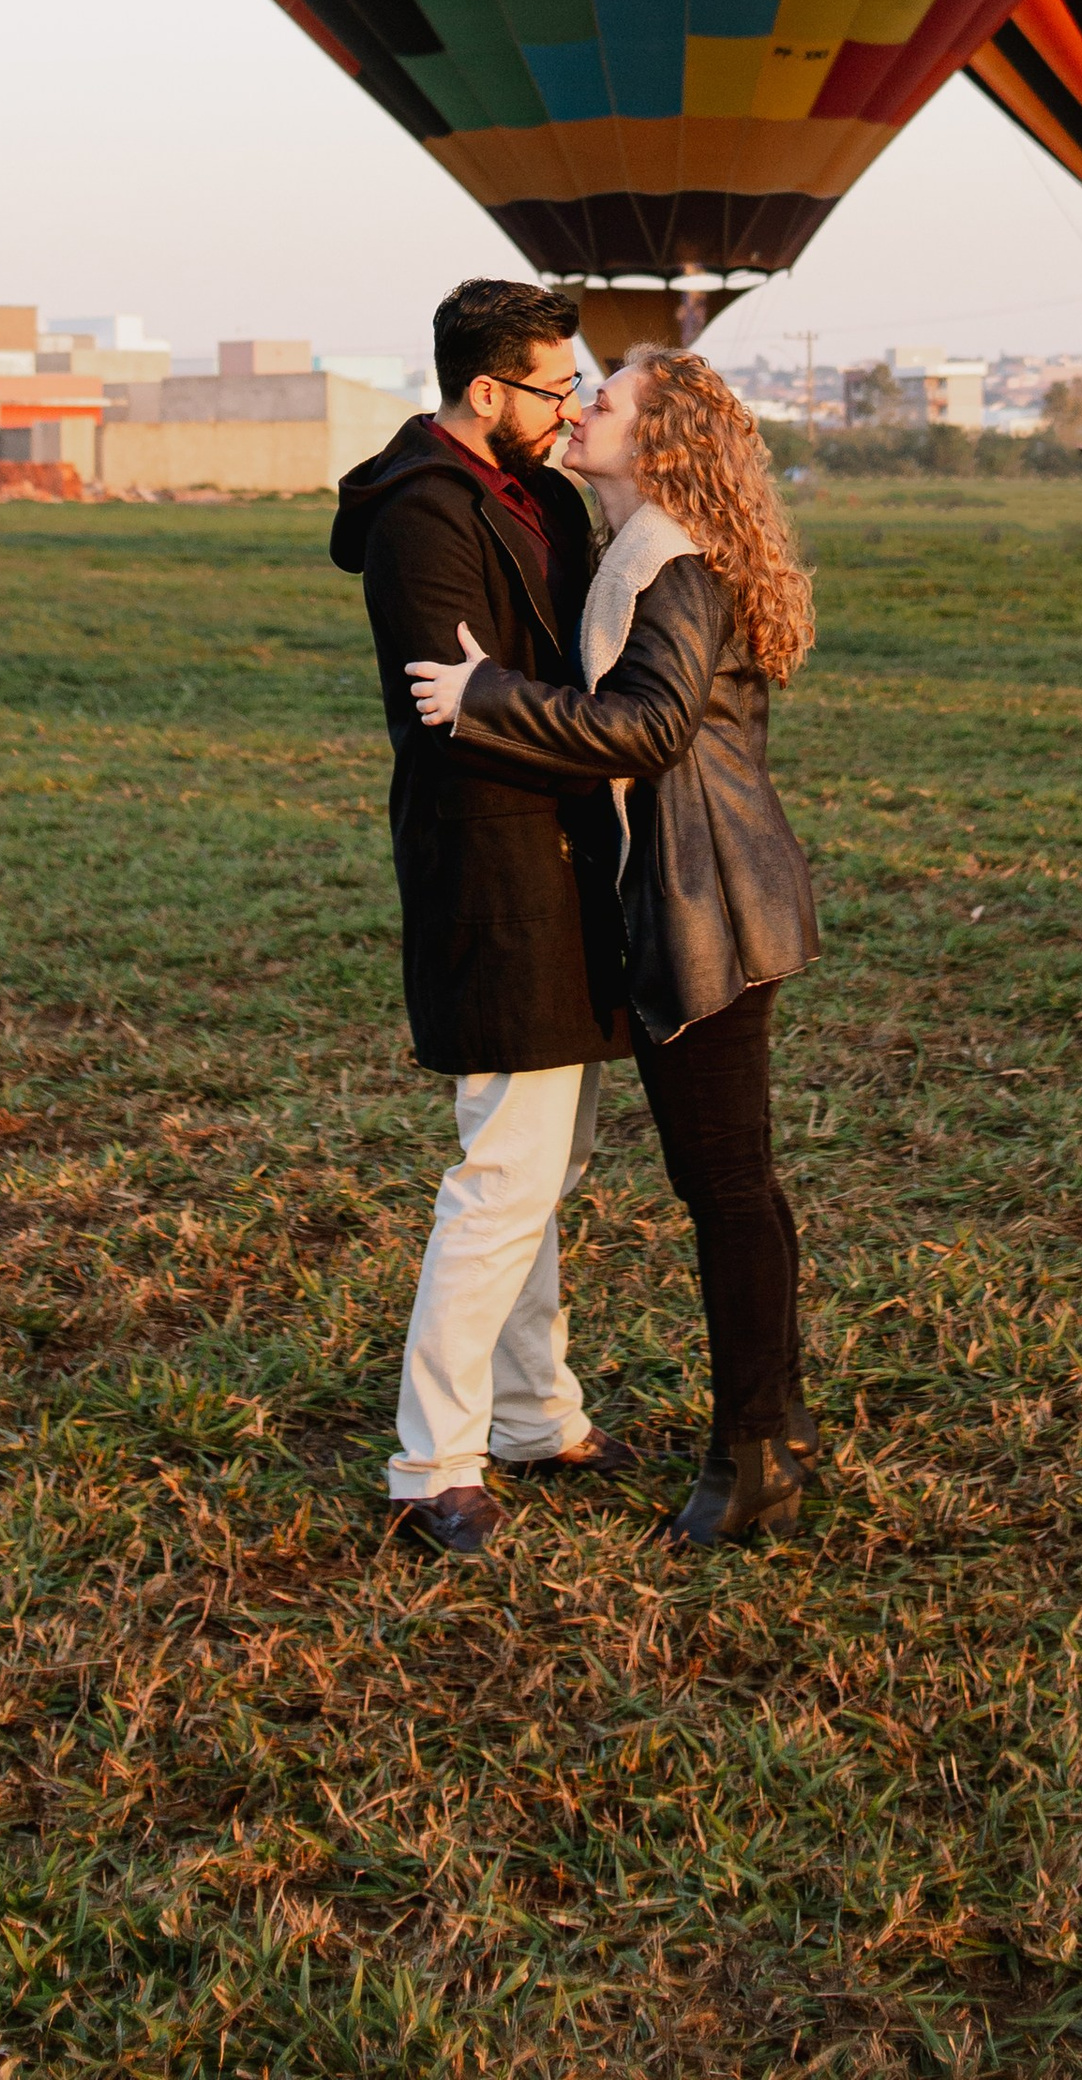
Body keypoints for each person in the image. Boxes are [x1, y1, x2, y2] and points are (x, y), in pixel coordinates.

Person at [408, 347, 821, 1550]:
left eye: (608, 400)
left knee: (729, 1190)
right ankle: (773, 1432)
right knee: (736, 1184)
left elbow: (645, 728)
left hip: (712, 906)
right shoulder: (639, 550)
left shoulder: (676, 563)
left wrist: (483, 697)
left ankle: (754, 1458)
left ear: (662, 439)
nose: (582, 409)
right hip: (709, 892)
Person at [331, 278, 636, 1562]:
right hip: (493, 861)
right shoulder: (421, 517)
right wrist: (609, 733)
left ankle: (531, 1414)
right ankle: (430, 1466)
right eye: (555, 387)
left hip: (567, 851)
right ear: (486, 389)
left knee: (544, 1163)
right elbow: (454, 709)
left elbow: (538, 683)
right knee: (502, 1168)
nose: (570, 409)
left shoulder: (546, 495)